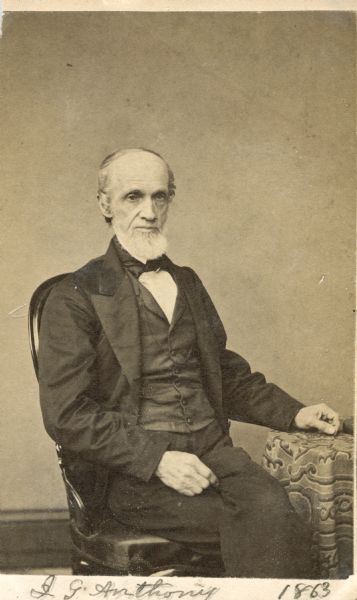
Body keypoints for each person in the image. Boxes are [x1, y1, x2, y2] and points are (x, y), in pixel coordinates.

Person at [38, 147, 340, 577]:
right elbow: (67, 414)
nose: (149, 212)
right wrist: (158, 459)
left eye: (159, 197)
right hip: (136, 474)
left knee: (278, 511)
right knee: (257, 525)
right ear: (104, 204)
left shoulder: (187, 282)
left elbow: (225, 373)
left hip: (215, 452)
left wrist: (295, 412)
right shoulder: (74, 296)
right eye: (133, 197)